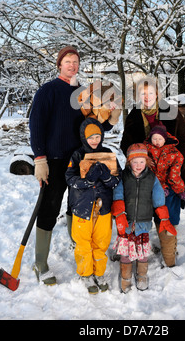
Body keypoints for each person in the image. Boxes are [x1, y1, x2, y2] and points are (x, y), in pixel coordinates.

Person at [29, 46, 120, 285]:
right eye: (67, 61)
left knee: (77, 204)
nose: (72, 65)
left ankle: (77, 242)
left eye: (75, 61)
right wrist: (40, 159)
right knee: (50, 208)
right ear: (60, 64)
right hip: (56, 161)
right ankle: (40, 262)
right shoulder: (48, 91)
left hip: (82, 160)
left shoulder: (83, 94)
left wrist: (110, 117)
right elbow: (36, 126)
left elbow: (94, 128)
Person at [120, 76, 185, 202]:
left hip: (172, 167)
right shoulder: (134, 115)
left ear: (157, 94)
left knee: (171, 200)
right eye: (143, 93)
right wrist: (142, 158)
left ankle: (168, 220)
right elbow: (126, 144)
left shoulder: (171, 112)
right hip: (144, 168)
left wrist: (177, 164)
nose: (147, 97)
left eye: (151, 93)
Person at [65, 118, 121, 294]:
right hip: (82, 208)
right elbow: (69, 177)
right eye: (91, 137)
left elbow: (116, 180)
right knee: (83, 242)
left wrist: (106, 178)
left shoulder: (108, 153)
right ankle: (86, 273)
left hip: (103, 208)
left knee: (101, 242)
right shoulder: (77, 155)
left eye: (98, 136)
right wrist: (87, 181)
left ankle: (99, 272)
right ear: (84, 138)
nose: (95, 140)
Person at [111, 143, 176, 292]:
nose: (138, 165)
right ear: (129, 162)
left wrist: (164, 217)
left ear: (146, 161)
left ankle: (141, 275)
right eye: (135, 162)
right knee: (126, 252)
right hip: (126, 222)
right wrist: (120, 213)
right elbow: (118, 194)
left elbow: (159, 197)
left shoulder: (152, 178)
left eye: (142, 161)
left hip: (143, 222)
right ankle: (126, 276)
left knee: (142, 252)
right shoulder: (124, 177)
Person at [145, 124, 185, 267]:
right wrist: (160, 187)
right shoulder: (146, 152)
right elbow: (146, 171)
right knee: (160, 215)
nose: (156, 141)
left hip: (169, 188)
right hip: (151, 186)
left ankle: (169, 257)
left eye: (159, 138)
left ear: (165, 139)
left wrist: (180, 190)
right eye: (154, 138)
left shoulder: (174, 154)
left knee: (168, 216)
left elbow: (175, 175)